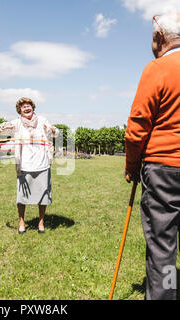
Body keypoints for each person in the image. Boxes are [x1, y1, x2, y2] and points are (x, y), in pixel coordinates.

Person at [124, 13, 180, 300]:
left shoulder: (158, 67)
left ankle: (164, 294)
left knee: (163, 245)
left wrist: (132, 165)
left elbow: (137, 125)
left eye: (152, 37)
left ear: (160, 38)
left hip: (165, 168)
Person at [0, 97, 58, 234]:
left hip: (42, 163)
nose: (26, 108)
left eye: (28, 105)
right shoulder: (17, 123)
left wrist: (52, 129)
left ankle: (41, 223)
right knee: (22, 197)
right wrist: (3, 127)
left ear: (33, 107)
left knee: (43, 196)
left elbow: (55, 133)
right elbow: (1, 131)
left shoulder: (42, 120)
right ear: (19, 110)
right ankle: (21, 222)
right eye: (23, 106)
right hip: (24, 165)